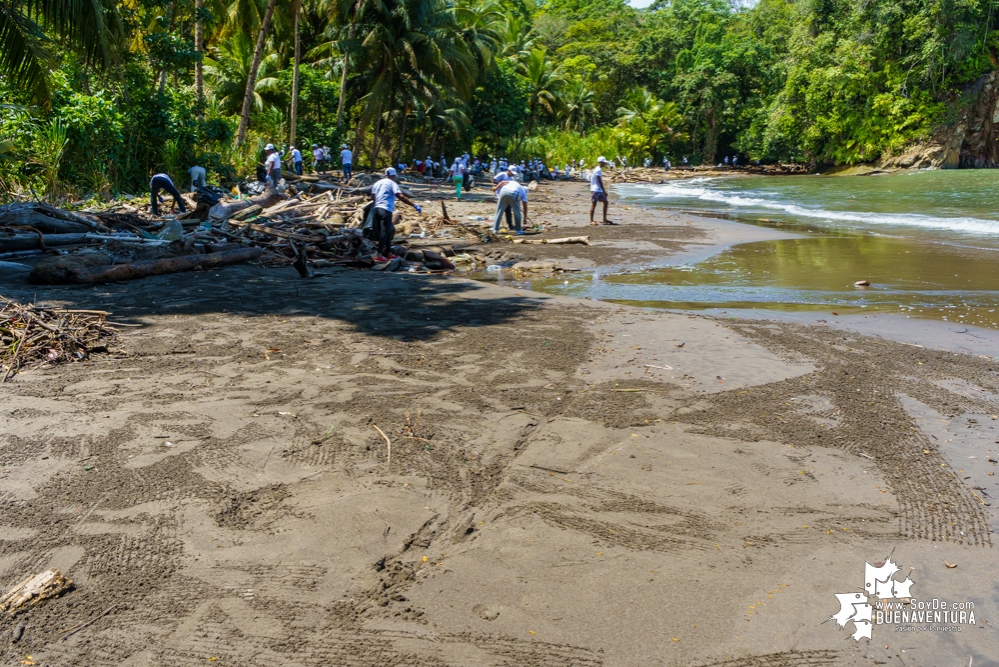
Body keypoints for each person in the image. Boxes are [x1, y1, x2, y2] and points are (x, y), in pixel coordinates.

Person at [369, 167, 421, 261]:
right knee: (384, 233)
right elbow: (400, 196)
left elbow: (372, 197)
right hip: (386, 210)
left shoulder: (377, 183)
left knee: (388, 231)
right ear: (393, 175)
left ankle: (389, 253)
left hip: (376, 209)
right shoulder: (392, 183)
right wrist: (414, 205)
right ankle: (379, 254)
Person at [589, 156, 613, 226]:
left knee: (606, 202)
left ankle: (604, 219)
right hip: (596, 189)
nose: (605, 164)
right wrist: (604, 191)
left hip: (598, 190)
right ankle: (591, 220)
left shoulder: (598, 169)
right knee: (594, 204)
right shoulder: (598, 170)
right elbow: (599, 181)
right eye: (604, 162)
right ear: (601, 162)